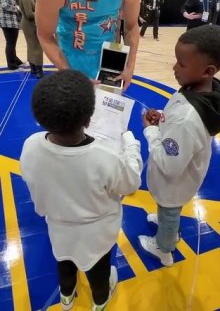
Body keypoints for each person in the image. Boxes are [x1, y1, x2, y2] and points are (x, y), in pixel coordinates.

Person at [20, 69, 143, 311]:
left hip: (58, 226)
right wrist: (130, 142)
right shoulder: (105, 156)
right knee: (99, 270)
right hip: (97, 233)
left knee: (64, 261)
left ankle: (67, 297)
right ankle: (100, 300)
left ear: (41, 118)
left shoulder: (30, 146)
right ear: (89, 119)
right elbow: (131, 184)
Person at [138, 25, 220, 266]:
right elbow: (181, 122)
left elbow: (168, 165)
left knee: (169, 209)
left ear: (208, 70)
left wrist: (150, 130)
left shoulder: (187, 117)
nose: (174, 68)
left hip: (174, 181)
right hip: (183, 175)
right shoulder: (203, 90)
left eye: (181, 64)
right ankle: (167, 226)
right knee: (168, 210)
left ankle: (164, 248)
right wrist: (163, 117)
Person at [15, 0, 44, 78]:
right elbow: (29, 15)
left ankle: (33, 68)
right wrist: (40, 12)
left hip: (27, 24)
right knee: (36, 47)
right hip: (30, 24)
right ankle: (39, 71)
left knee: (31, 46)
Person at [0, 0, 25, 70]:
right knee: (10, 43)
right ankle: (12, 64)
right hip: (7, 21)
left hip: (11, 20)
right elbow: (5, 6)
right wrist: (17, 8)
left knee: (12, 42)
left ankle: (15, 60)